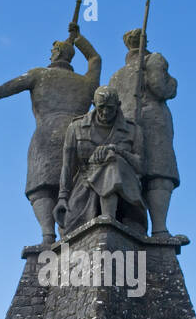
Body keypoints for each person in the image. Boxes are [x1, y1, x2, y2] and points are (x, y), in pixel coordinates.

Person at [0, 24, 101, 244]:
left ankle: (48, 235)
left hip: (47, 135)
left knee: (41, 187)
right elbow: (95, 59)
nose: (51, 53)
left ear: (58, 54)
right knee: (76, 186)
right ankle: (73, 234)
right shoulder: (86, 82)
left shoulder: (38, 75)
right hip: (80, 136)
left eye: (53, 50)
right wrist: (79, 38)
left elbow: (6, 88)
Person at [107, 28, 179, 235]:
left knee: (131, 174)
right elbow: (162, 88)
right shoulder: (153, 60)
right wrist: (171, 80)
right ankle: (159, 229)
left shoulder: (116, 76)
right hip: (153, 122)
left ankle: (131, 225)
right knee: (159, 173)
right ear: (145, 41)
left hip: (124, 127)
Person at [55, 85, 146, 235]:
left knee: (112, 161)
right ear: (93, 104)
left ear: (118, 105)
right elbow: (67, 165)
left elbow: (141, 166)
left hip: (126, 190)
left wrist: (117, 150)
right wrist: (62, 197)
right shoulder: (76, 127)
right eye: (101, 107)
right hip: (85, 183)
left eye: (110, 108)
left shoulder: (133, 130)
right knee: (68, 227)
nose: (105, 112)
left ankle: (108, 220)